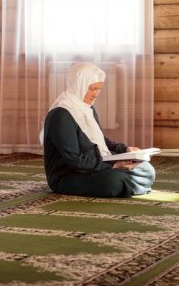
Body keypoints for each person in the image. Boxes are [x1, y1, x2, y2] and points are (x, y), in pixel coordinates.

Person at [39, 62, 156, 198]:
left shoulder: (87, 108)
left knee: (146, 169)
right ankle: (130, 183)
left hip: (96, 165)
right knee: (112, 181)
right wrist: (113, 165)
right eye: (93, 89)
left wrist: (126, 150)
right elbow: (74, 161)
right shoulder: (60, 115)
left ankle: (127, 184)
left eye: (99, 89)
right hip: (69, 175)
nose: (96, 94)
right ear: (79, 85)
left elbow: (101, 140)